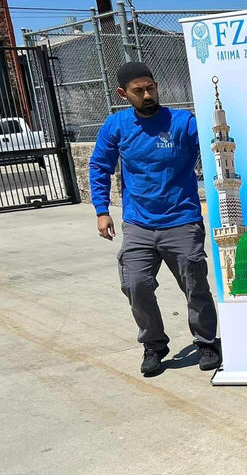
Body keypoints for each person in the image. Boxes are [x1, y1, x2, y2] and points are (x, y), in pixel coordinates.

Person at [90, 62, 220, 377]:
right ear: (123, 94)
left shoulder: (182, 122)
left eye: (151, 88)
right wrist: (102, 210)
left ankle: (206, 341)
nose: (147, 95)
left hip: (182, 219)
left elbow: (219, 144)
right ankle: (154, 345)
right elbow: (99, 166)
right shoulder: (116, 126)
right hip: (138, 224)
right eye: (139, 91)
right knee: (135, 284)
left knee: (194, 282)